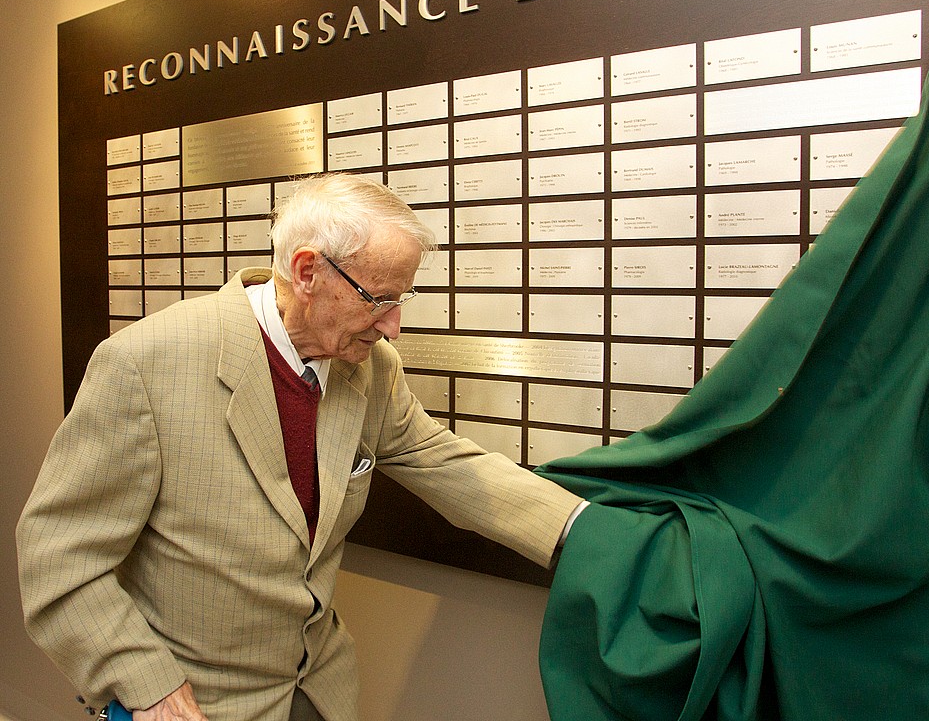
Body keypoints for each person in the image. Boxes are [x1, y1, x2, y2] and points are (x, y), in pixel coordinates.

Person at [17, 172, 587, 721]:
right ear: (308, 270)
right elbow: (60, 557)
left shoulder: (368, 368)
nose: (393, 328)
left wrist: (582, 527)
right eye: (379, 298)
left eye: (403, 298)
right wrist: (149, 688)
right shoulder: (145, 364)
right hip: (196, 700)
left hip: (319, 689)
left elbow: (439, 458)